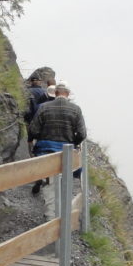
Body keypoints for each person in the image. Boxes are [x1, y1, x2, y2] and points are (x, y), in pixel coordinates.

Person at [28, 82, 86, 220]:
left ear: (56, 93)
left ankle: (50, 218)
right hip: (67, 154)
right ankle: (63, 218)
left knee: (49, 184)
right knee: (65, 184)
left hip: (46, 152)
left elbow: (33, 130)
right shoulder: (76, 110)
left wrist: (36, 138)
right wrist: (74, 143)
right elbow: (82, 134)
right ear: (68, 93)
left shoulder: (44, 107)